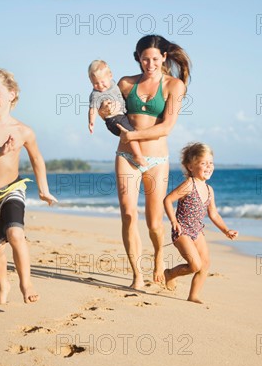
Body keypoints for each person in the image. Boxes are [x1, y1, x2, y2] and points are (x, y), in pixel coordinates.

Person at [99, 35, 191, 289]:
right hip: (126, 156)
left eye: (154, 59)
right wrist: (103, 111)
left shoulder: (174, 86)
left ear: (164, 57)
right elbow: (111, 114)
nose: (149, 64)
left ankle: (159, 256)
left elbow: (166, 128)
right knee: (128, 216)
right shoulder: (126, 84)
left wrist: (133, 135)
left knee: (153, 222)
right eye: (144, 59)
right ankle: (137, 275)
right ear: (137, 58)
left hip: (157, 159)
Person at [0, 65, 57, 304]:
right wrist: (0, 150)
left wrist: (43, 188)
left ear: (12, 93)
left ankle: (26, 283)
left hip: (12, 189)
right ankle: (2, 286)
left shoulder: (23, 131)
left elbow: (37, 159)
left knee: (16, 233)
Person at [163, 142, 238, 303]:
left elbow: (213, 213)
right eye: (203, 163)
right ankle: (170, 273)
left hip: (197, 231)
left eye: (211, 163)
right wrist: (173, 221)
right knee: (195, 265)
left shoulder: (209, 189)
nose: (208, 166)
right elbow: (168, 200)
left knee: (205, 264)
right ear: (190, 166)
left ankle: (193, 295)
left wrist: (226, 230)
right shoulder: (189, 185)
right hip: (182, 231)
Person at [87, 60, 147, 168]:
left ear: (110, 76)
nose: (100, 86)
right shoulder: (96, 94)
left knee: (132, 133)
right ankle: (137, 155)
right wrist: (91, 122)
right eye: (95, 83)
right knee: (131, 134)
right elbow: (93, 109)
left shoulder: (114, 84)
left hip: (121, 116)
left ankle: (138, 153)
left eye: (102, 81)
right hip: (114, 120)